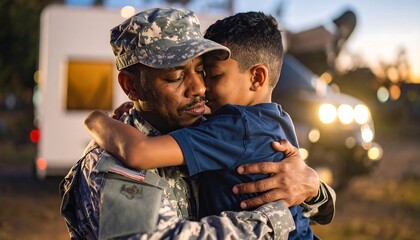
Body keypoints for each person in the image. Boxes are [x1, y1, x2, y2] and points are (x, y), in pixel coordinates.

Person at [60, 8, 335, 239]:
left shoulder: (207, 125)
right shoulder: (109, 166)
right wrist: (276, 218)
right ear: (131, 86)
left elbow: (294, 188)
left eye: (203, 72)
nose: (200, 88)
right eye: (175, 76)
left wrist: (312, 188)